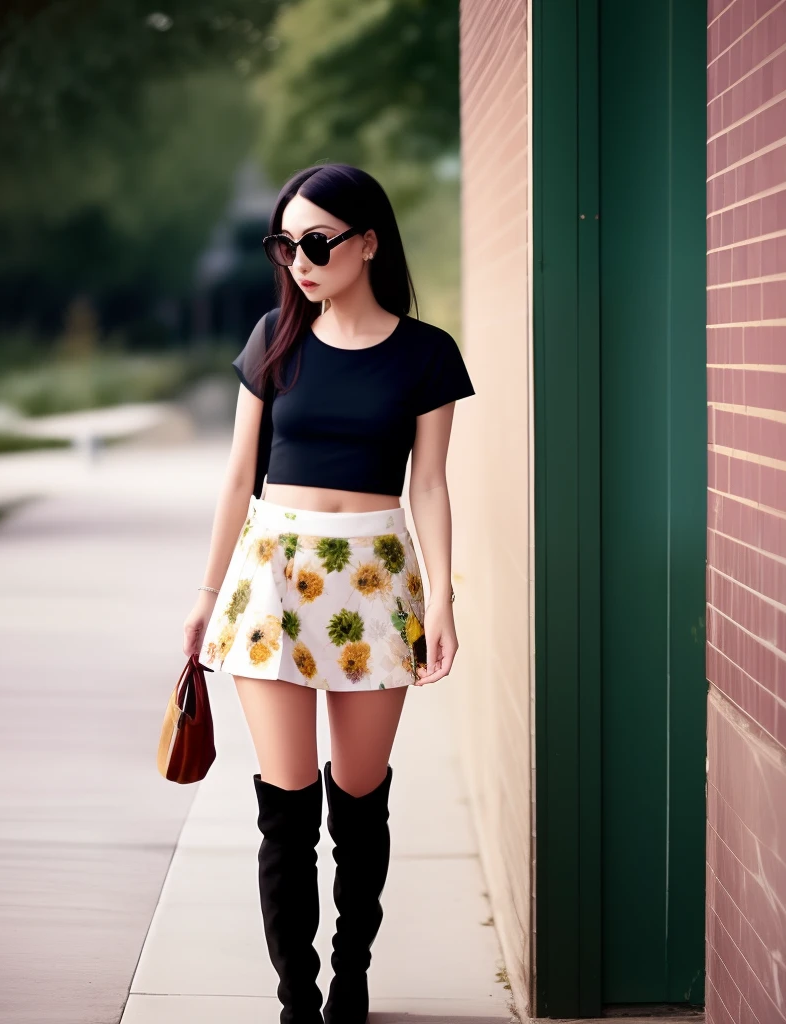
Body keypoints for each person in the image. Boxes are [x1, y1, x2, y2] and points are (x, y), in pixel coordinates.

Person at [183, 162, 476, 1024]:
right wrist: (207, 593)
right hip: (272, 578)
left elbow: (430, 488)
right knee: (286, 808)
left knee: (358, 797)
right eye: (287, 244)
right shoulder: (275, 336)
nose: (299, 260)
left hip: (376, 583)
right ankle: (297, 1001)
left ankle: (351, 978)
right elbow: (239, 478)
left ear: (369, 242)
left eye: (317, 242)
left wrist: (444, 601)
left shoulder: (427, 354)